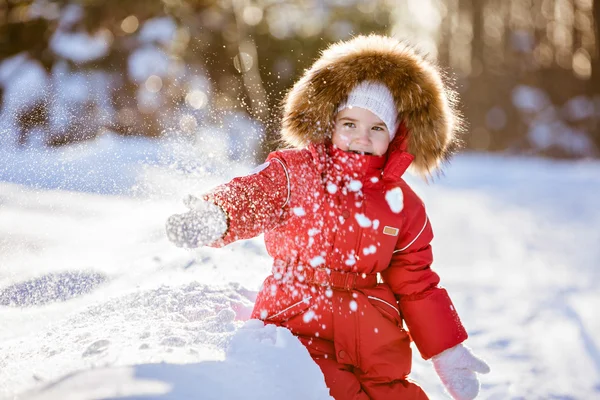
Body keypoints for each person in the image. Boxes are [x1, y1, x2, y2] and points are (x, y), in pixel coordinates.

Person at [166, 34, 490, 400]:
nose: (361, 138)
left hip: (375, 336)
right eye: (350, 124)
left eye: (377, 128)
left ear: (397, 136)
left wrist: (448, 352)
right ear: (330, 122)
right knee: (327, 390)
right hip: (297, 318)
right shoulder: (295, 173)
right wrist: (217, 214)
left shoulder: (402, 204)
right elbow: (253, 196)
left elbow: (416, 282)